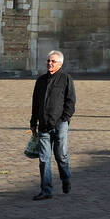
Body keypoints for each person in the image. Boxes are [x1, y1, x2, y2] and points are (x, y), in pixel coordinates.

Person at [29, 50, 76, 201]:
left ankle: (65, 178)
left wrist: (65, 118)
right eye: (48, 61)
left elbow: (70, 101)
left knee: (61, 156)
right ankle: (46, 190)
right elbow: (35, 103)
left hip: (60, 124)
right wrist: (33, 122)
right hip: (43, 124)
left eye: (53, 61)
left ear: (60, 64)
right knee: (44, 158)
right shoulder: (40, 80)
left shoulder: (66, 79)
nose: (49, 63)